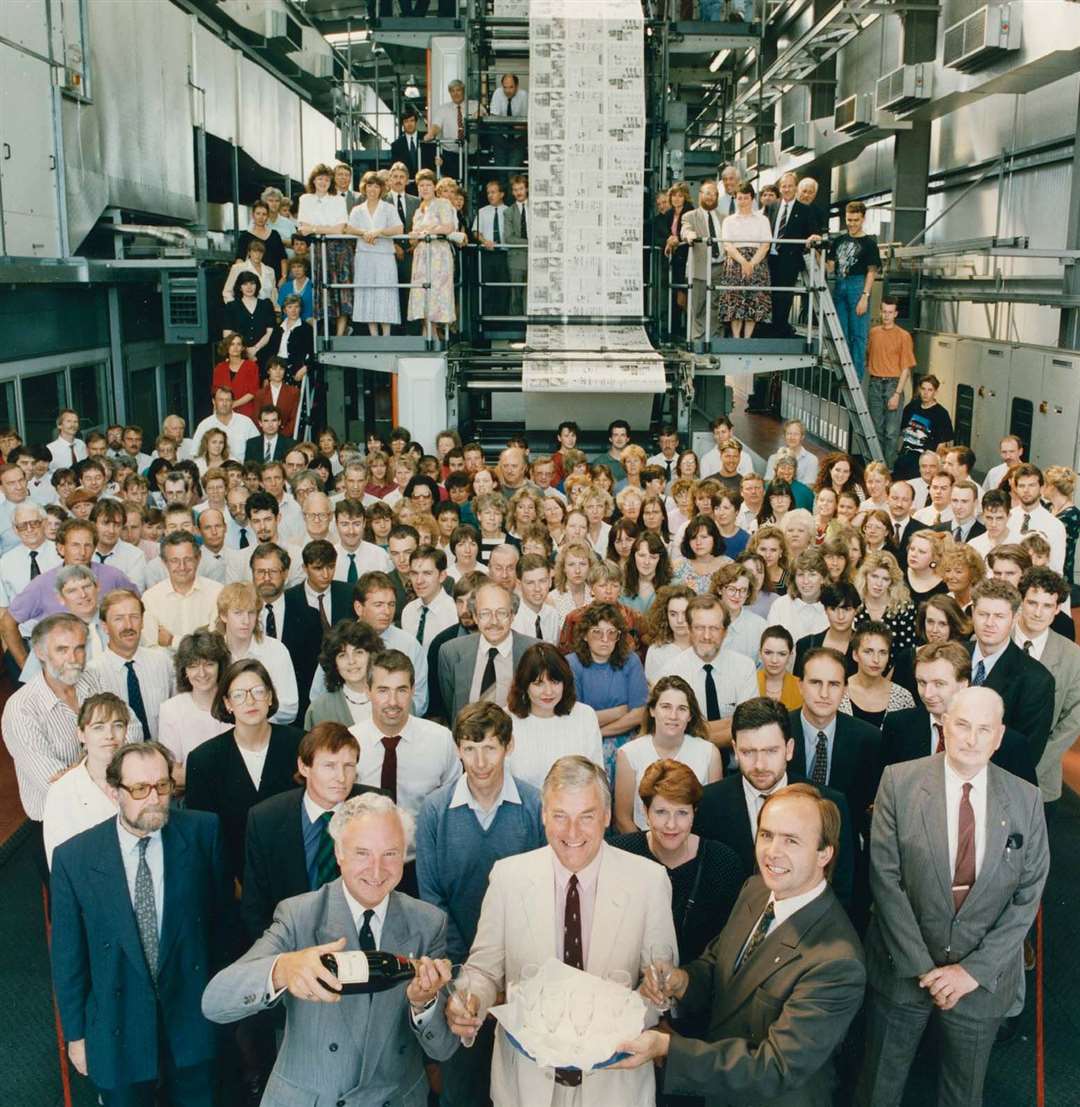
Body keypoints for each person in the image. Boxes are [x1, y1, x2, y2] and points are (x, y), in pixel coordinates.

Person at [856, 686, 1049, 1107]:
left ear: (998, 737)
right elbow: (885, 880)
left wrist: (970, 972)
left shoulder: (1026, 799)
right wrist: (924, 968)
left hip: (980, 982)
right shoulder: (899, 782)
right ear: (944, 724)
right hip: (903, 969)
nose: (972, 738)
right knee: (878, 1090)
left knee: (963, 1096)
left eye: (984, 730)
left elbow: (1026, 897)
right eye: (962, 725)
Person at [446, 754, 677, 1105]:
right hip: (525, 1084)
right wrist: (470, 1000)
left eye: (586, 816)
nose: (572, 833)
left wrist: (657, 989)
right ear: (543, 815)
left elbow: (660, 981)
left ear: (606, 815)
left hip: (615, 1085)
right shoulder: (508, 877)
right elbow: (483, 970)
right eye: (559, 816)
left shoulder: (649, 881)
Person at [615, 783, 866, 1106]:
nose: (773, 851)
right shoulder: (756, 889)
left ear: (825, 854)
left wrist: (667, 1048)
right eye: (766, 835)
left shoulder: (837, 962)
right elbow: (719, 964)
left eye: (791, 840)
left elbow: (773, 1068)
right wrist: (681, 981)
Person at [202, 792, 457, 1105]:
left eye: (390, 854)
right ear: (339, 852)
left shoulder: (428, 922)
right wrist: (283, 969)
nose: (377, 871)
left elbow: (443, 1047)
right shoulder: (299, 915)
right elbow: (215, 1001)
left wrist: (424, 1004)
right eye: (362, 853)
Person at [52, 741, 231, 1107]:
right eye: (139, 789)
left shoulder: (202, 833)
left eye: (162, 786)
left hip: (191, 1020)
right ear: (113, 791)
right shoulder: (75, 858)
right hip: (117, 1026)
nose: (154, 798)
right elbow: (69, 958)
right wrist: (77, 1036)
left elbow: (223, 926)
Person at [416, 702, 544, 1106]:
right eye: (470, 749)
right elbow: (432, 899)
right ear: (457, 749)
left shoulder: (534, 805)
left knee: (521, 1086)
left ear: (509, 746)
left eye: (490, 747)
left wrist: (510, 973)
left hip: (523, 973)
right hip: (457, 971)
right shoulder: (435, 810)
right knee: (463, 1088)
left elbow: (542, 893)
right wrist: (461, 973)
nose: (480, 760)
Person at [693, 697, 855, 908]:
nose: (759, 765)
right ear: (734, 749)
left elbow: (842, 890)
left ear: (789, 749)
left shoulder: (828, 803)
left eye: (770, 751)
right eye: (748, 752)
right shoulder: (708, 803)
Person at [240, 721, 385, 942]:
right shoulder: (266, 818)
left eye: (349, 766)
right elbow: (255, 906)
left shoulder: (377, 806)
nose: (341, 777)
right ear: (304, 767)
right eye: (329, 765)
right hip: (293, 946)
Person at [612, 754, 745, 972]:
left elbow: (728, 948)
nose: (671, 824)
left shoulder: (724, 863)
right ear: (645, 813)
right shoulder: (620, 854)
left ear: (695, 813)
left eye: (682, 813)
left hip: (700, 989)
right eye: (661, 812)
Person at [184, 658, 303, 886]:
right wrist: (229, 879)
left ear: (269, 696)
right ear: (227, 703)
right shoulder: (204, 759)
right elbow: (204, 834)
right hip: (234, 880)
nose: (250, 701)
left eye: (258, 691)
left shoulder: (300, 744)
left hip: (295, 873)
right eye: (239, 695)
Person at [349, 649, 459, 891]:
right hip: (366, 869)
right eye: (383, 690)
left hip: (423, 867)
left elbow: (452, 812)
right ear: (367, 691)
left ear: (413, 691)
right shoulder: (349, 744)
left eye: (401, 690)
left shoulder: (440, 741)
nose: (392, 702)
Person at [1, 613, 87, 878]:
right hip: (55, 825)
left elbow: (131, 728)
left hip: (103, 812)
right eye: (62, 649)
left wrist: (78, 767)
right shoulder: (21, 709)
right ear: (39, 652)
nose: (73, 658)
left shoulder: (91, 681)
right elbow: (54, 785)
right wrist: (103, 757)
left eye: (79, 648)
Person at [790, 647, 883, 835]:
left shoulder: (869, 739)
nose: (824, 693)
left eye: (833, 684)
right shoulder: (780, 731)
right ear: (800, 685)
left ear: (845, 690)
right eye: (816, 682)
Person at [614, 675, 721, 832]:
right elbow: (623, 819)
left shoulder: (709, 753)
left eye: (682, 709)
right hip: (643, 846)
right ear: (652, 710)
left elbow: (713, 817)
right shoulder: (629, 754)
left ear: (690, 715)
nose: (673, 716)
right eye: (666, 707)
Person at [969, 578, 1055, 765]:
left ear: (1015, 618)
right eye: (983, 614)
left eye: (999, 616)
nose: (989, 623)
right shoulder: (952, 658)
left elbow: (1026, 752)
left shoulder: (1037, 679)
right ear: (972, 613)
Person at [661, 594, 758, 751]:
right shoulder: (672, 671)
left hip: (737, 766)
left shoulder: (745, 667)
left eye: (714, 628)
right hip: (690, 765)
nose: (706, 636)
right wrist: (728, 724)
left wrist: (691, 731)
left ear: (725, 632)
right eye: (699, 628)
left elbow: (747, 728)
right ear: (690, 630)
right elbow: (670, 732)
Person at [78, 588, 175, 742]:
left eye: (134, 617)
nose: (128, 625)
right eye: (119, 619)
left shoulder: (162, 662)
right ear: (104, 626)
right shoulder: (92, 673)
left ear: (142, 622)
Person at [42, 692, 126, 868]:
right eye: (98, 727)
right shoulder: (61, 792)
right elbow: (61, 866)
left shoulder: (139, 777)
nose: (109, 735)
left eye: (117, 725)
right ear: (81, 735)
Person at [568, 601, 649, 780]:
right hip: (584, 742)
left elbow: (639, 714)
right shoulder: (571, 664)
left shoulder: (631, 661)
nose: (605, 639)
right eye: (597, 632)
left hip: (627, 740)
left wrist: (599, 731)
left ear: (619, 637)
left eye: (611, 633)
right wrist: (620, 710)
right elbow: (577, 719)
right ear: (584, 636)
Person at [438, 581, 538, 723]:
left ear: (512, 615)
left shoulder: (534, 652)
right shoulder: (451, 653)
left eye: (502, 613)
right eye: (485, 614)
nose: (494, 622)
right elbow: (450, 706)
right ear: (475, 617)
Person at [157, 629, 232, 787]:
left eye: (209, 664)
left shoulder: (235, 703)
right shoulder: (171, 709)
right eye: (193, 666)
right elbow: (172, 773)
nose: (202, 673)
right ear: (184, 671)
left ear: (221, 666)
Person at [296, 162, 352, 337]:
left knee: (341, 290)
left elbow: (339, 229)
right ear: (313, 180)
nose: (323, 182)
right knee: (323, 290)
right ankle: (326, 333)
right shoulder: (305, 199)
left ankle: (340, 333)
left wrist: (315, 228)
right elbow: (302, 228)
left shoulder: (338, 200)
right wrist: (323, 228)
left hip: (339, 249)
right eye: (320, 178)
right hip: (319, 249)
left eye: (327, 179)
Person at [347, 170, 403, 335]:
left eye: (376, 186)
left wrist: (379, 232)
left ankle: (386, 336)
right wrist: (363, 233)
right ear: (364, 188)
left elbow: (399, 228)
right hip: (364, 256)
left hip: (384, 256)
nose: (372, 189)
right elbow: (349, 228)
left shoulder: (389, 208)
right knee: (368, 292)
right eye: (369, 186)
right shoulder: (357, 209)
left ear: (381, 189)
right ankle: (374, 335)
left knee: (384, 292)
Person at [305, 618, 383, 728]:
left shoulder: (395, 700)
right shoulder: (319, 709)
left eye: (358, 652)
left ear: (372, 656)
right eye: (342, 655)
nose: (351, 661)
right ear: (335, 664)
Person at [407, 168, 457, 339]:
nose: (424, 188)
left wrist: (427, 231)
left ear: (434, 187)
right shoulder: (418, 209)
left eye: (428, 185)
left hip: (438, 254)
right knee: (422, 293)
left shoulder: (443, 203)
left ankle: (434, 332)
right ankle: (428, 331)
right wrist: (414, 236)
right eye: (421, 185)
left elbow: (448, 227)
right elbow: (413, 238)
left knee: (436, 293)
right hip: (421, 255)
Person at [719, 180, 772, 338]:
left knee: (753, 299)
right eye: (739, 198)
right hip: (735, 261)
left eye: (746, 198)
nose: (742, 202)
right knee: (735, 300)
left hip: (757, 260)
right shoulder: (728, 221)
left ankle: (748, 337)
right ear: (735, 199)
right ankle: (736, 337)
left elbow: (765, 245)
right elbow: (727, 244)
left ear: (752, 199)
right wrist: (743, 262)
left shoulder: (762, 220)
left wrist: (752, 263)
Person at [838, 622, 916, 726]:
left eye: (883, 652)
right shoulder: (839, 692)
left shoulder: (903, 698)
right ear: (855, 654)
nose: (876, 659)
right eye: (868, 651)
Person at [893, 375, 954, 479]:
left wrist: (935, 467)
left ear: (936, 392)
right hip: (904, 457)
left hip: (924, 463)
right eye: (923, 389)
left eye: (930, 390)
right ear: (919, 389)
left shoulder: (941, 414)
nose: (926, 393)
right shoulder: (912, 406)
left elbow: (942, 446)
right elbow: (902, 432)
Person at [264, 294, 314, 382]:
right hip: (277, 367)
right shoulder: (278, 328)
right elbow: (270, 351)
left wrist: (305, 368)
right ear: (285, 310)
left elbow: (313, 353)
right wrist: (266, 376)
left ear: (300, 309)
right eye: (290, 307)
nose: (293, 310)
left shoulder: (306, 329)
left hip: (295, 369)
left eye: (296, 307)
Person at [212, 333, 260, 421]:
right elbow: (216, 392)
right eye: (232, 344)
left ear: (242, 348)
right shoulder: (220, 368)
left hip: (246, 412)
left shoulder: (251, 366)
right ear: (227, 347)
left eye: (238, 344)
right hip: (224, 412)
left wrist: (233, 404)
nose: (235, 347)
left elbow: (253, 392)